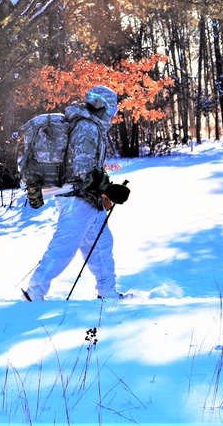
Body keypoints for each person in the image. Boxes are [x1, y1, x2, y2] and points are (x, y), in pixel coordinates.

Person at [22, 85, 131, 301]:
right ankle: (34, 292)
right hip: (76, 198)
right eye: (112, 110)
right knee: (64, 248)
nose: (112, 116)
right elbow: (83, 165)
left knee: (101, 245)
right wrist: (108, 188)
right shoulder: (87, 127)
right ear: (100, 105)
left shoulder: (91, 126)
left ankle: (107, 291)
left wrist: (105, 189)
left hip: (89, 197)